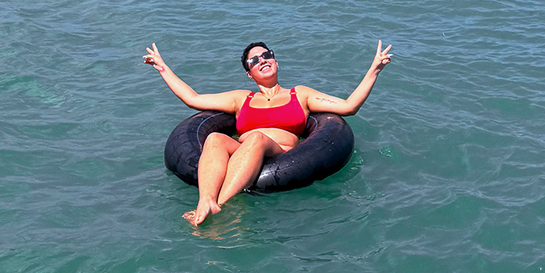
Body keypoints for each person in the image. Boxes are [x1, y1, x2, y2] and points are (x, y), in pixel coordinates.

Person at [144, 40, 392, 225]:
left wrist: (374, 70)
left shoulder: (300, 94)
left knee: (256, 138)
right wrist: (162, 67)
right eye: (254, 60)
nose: (262, 60)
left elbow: (348, 107)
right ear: (249, 73)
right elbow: (193, 98)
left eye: (267, 55)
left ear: (276, 62)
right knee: (215, 138)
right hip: (245, 149)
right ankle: (205, 201)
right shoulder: (242, 99)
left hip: (278, 151)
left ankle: (219, 205)